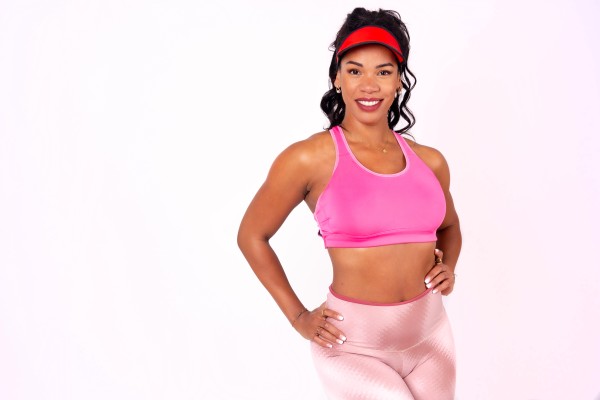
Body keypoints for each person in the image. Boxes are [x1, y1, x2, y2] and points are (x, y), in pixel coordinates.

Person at [237, 7, 461, 400]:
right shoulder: (309, 158)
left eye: (383, 72)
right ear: (337, 77)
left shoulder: (431, 162)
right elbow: (252, 235)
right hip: (352, 346)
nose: (369, 85)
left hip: (431, 339)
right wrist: (298, 316)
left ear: (399, 79)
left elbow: (450, 227)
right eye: (355, 71)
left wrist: (449, 268)